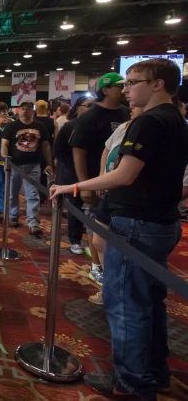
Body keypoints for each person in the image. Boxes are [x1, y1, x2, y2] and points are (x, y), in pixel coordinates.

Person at [51, 59, 188, 399]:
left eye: (133, 82)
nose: (125, 89)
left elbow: (124, 174)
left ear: (158, 84)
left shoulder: (150, 121)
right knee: (149, 301)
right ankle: (155, 373)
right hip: (161, 220)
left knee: (127, 305)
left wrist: (74, 187)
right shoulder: (175, 119)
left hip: (137, 223)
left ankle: (133, 383)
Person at [71, 73, 130, 285]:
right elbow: (78, 151)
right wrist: (84, 183)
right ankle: (97, 266)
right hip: (96, 182)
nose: (124, 91)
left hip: (120, 182)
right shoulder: (90, 117)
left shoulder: (128, 114)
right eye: (119, 87)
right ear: (106, 90)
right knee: (96, 225)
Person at [85, 105, 144, 305]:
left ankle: (121, 295)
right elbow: (107, 149)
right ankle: (109, 288)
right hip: (111, 193)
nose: (131, 108)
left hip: (134, 201)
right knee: (100, 242)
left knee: (129, 256)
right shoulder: (124, 127)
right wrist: (103, 175)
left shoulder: (152, 127)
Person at [1, 101, 54, 235]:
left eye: (28, 109)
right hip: (15, 165)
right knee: (13, 192)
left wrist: (49, 163)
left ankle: (33, 222)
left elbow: (46, 145)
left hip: (33, 164)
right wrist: (5, 159)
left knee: (33, 194)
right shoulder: (12, 125)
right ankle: (13, 215)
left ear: (33, 111)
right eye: (23, 109)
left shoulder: (39, 126)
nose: (25, 111)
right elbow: (5, 144)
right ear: (20, 110)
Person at [53, 95, 95, 255]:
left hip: (94, 174)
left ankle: (93, 243)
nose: (92, 108)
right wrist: (74, 166)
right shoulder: (69, 127)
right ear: (78, 108)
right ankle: (75, 240)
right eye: (88, 105)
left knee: (94, 211)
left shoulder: (96, 125)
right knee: (75, 207)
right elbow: (58, 151)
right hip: (71, 174)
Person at [35, 99, 56, 203]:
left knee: (35, 173)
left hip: (35, 149)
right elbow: (56, 138)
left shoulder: (33, 120)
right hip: (48, 149)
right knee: (47, 173)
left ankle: (37, 195)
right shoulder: (53, 121)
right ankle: (43, 195)